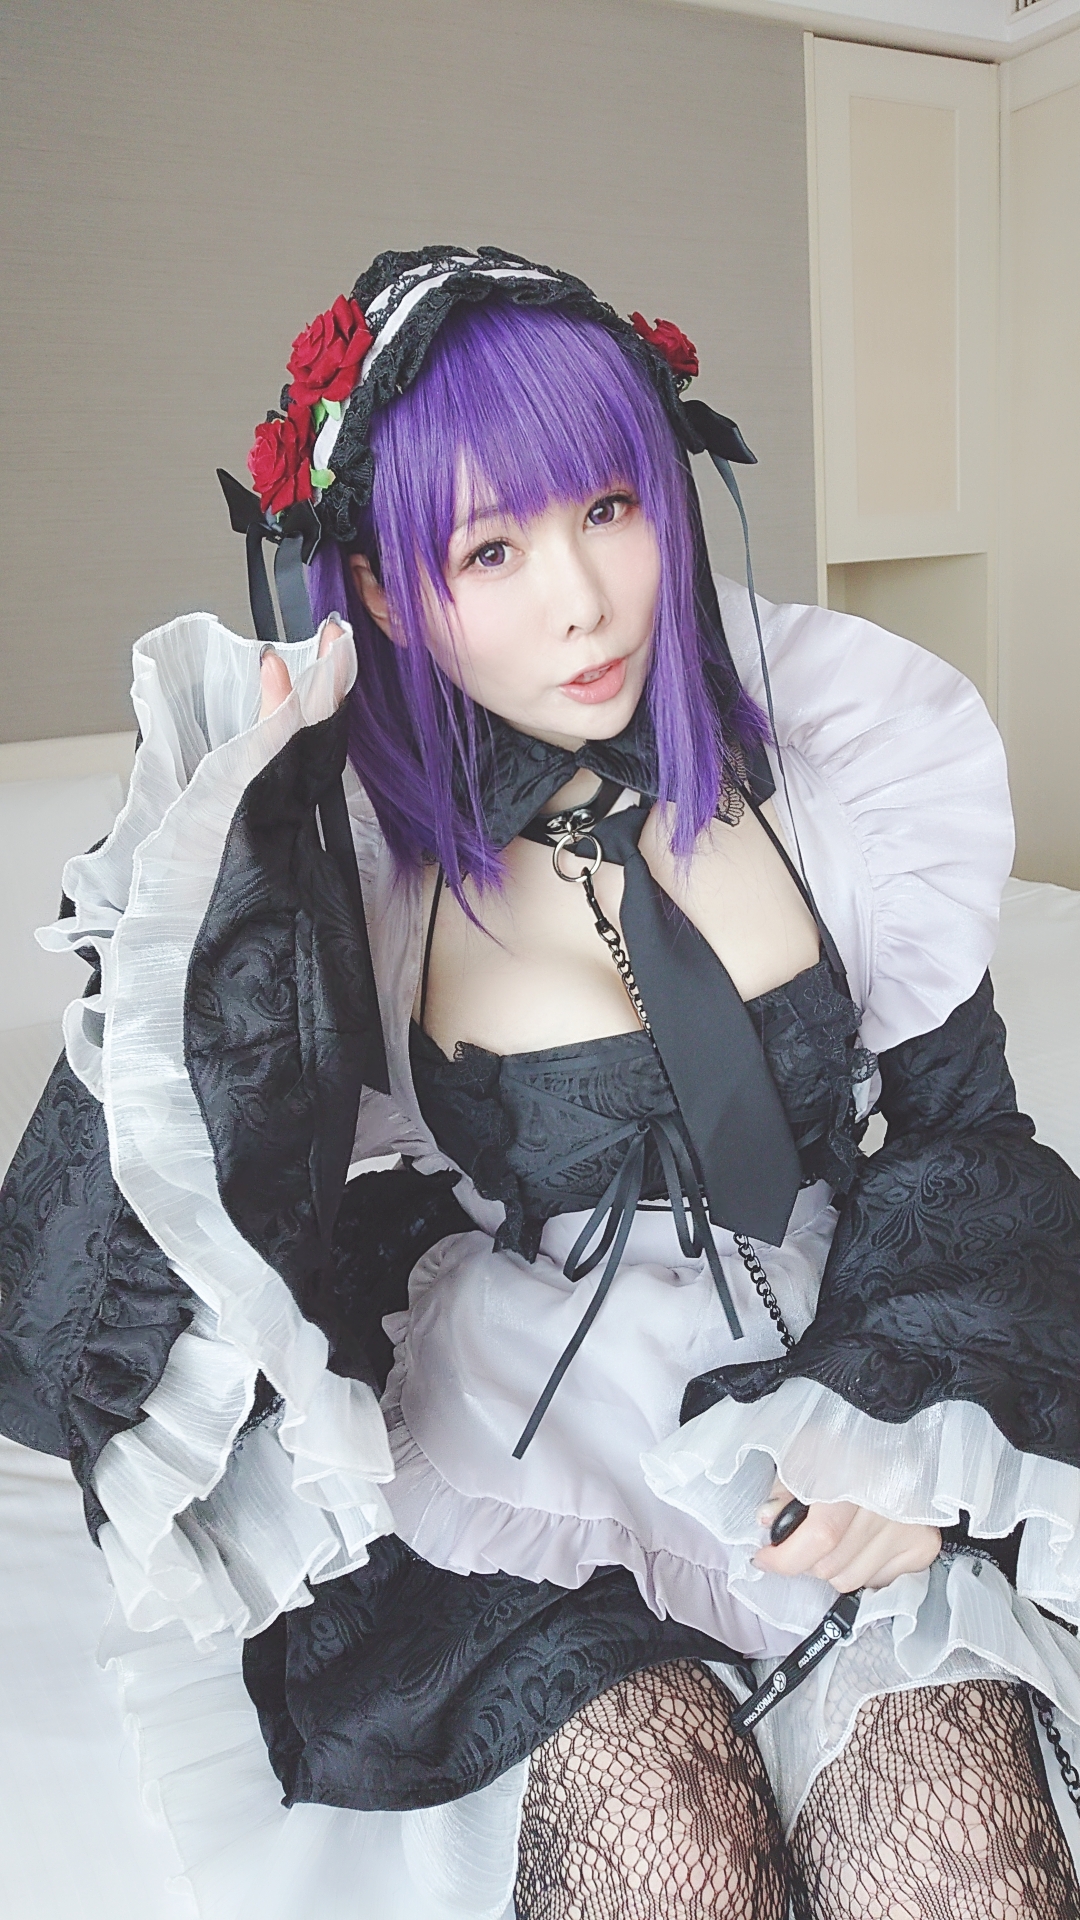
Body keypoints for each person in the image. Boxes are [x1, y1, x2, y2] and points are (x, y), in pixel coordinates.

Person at [3, 243, 1080, 1920]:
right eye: (489, 551)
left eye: (610, 509)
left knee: (959, 1855)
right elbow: (92, 1294)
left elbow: (961, 1133)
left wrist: (914, 1444)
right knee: (668, 1843)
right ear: (383, 589)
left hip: (834, 1376)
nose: (581, 602)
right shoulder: (359, 864)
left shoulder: (845, 766)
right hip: (522, 1436)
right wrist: (208, 869)